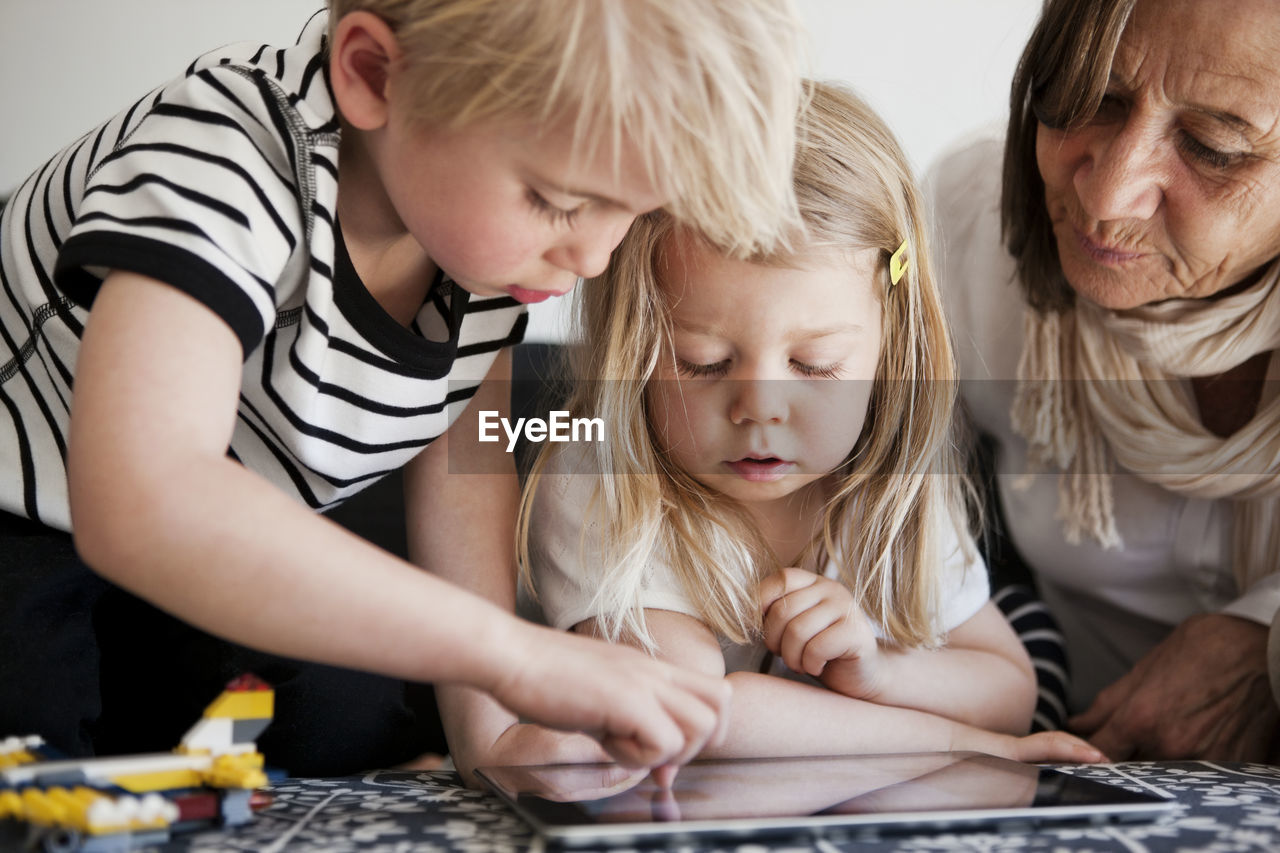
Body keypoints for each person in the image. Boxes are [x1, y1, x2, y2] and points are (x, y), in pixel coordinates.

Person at [0, 0, 811, 784]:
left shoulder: (483, 253)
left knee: (338, 719)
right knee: (28, 749)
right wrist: (516, 653)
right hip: (31, 507)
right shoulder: (226, 156)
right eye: (560, 201)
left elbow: (465, 474)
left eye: (633, 214)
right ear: (374, 75)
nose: (594, 259)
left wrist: (491, 735)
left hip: (201, 543)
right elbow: (147, 497)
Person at [516, 81, 1106, 765]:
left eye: (816, 364)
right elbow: (698, 721)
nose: (760, 407)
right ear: (634, 351)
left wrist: (881, 672)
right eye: (703, 363)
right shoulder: (601, 482)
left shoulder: (888, 488)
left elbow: (1009, 686)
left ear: (890, 351)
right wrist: (959, 741)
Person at [931, 0, 1280, 761]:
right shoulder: (967, 231)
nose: (1107, 193)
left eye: (1215, 148)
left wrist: (1267, 632)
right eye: (1093, 97)